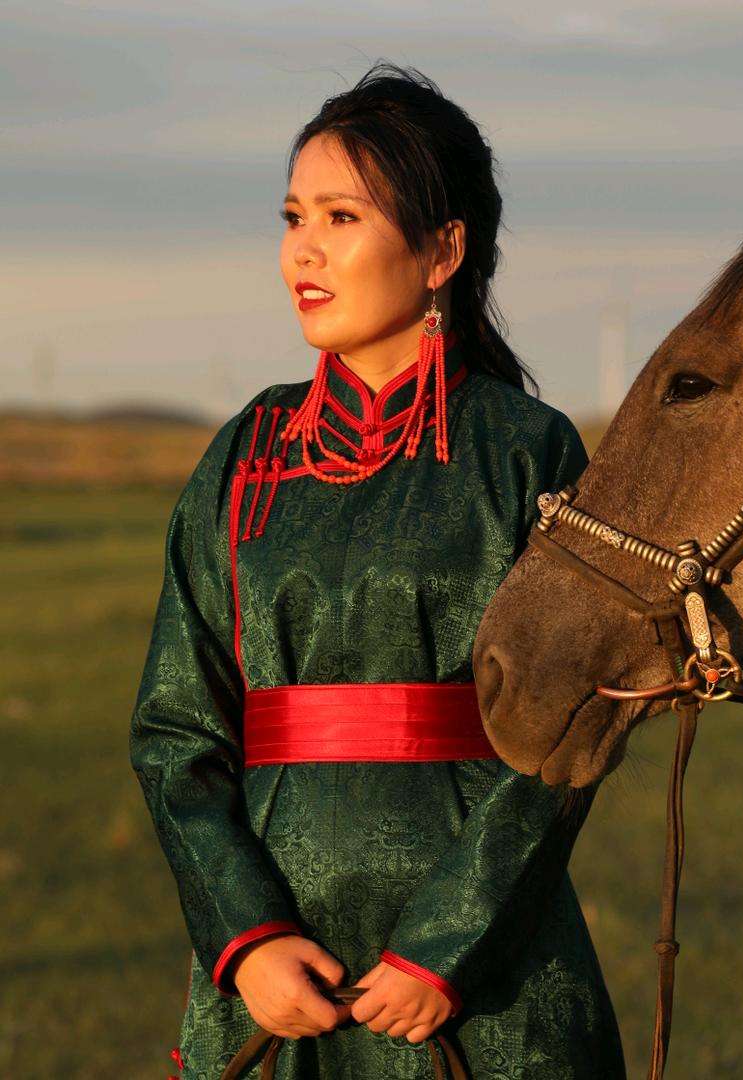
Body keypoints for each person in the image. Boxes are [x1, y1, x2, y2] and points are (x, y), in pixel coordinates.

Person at [130, 63, 626, 1080]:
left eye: (342, 216)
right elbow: (176, 732)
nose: (303, 250)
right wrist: (249, 942)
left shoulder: (529, 454)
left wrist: (444, 947)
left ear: (443, 249)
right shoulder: (243, 454)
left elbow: (575, 725)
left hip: (487, 980)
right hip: (276, 985)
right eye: (293, 215)